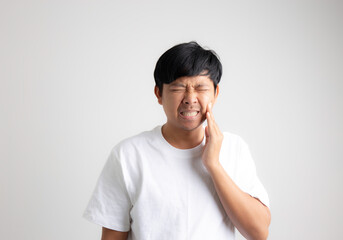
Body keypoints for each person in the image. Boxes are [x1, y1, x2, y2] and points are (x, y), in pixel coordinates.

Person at [83, 42, 271, 240]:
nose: (190, 98)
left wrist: (214, 165)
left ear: (215, 94)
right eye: (178, 88)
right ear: (159, 94)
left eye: (201, 88)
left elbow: (258, 232)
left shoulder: (234, 149)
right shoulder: (128, 155)